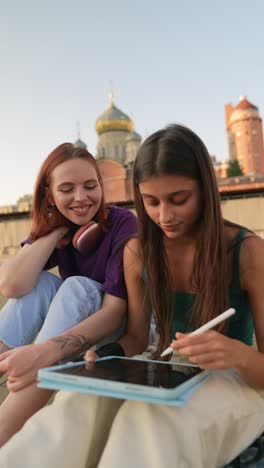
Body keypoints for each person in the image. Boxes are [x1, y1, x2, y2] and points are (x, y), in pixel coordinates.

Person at [0, 124, 264, 468]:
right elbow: (137, 338)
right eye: (151, 202)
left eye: (179, 199)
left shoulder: (247, 252)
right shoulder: (139, 250)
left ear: (206, 190)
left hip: (234, 380)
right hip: (165, 370)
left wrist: (237, 354)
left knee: (148, 423)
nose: (164, 216)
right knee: (75, 407)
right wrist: (104, 355)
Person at [0, 142, 139, 445]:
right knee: (39, 284)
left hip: (120, 332)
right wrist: (53, 231)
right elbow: (12, 285)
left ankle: (5, 425)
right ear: (49, 194)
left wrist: (44, 351)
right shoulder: (60, 228)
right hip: (76, 321)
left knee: (77, 286)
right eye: (66, 189)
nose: (81, 198)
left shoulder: (123, 223)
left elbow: (115, 311)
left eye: (91, 186)